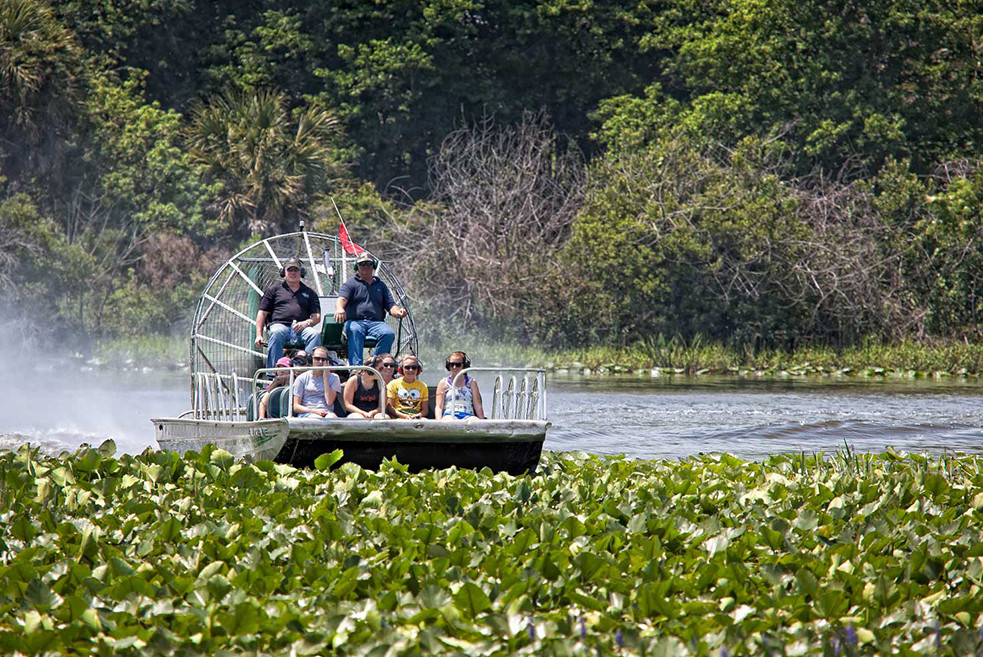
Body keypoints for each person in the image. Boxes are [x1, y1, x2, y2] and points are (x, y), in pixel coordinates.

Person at [333, 251, 407, 366]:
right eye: (362, 264)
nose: (366, 266)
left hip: (376, 323)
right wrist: (339, 309)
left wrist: (398, 311)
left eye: (369, 263)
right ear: (356, 266)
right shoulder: (350, 284)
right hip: (355, 322)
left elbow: (391, 305)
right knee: (354, 330)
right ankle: (356, 369)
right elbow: (342, 299)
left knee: (388, 334)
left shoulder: (381, 286)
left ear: (374, 265)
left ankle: (374, 365)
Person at [255, 257, 322, 371]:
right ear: (283, 272)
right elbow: (262, 313)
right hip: (280, 326)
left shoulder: (310, 292)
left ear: (302, 273)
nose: (293, 273)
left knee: (314, 335)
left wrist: (306, 323)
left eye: (296, 270)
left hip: (301, 329)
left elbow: (316, 317)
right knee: (276, 333)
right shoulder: (273, 290)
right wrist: (259, 334)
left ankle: (306, 369)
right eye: (290, 270)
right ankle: (274, 373)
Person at [292, 346, 342, 418]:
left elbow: (329, 401)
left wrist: (325, 377)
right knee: (316, 418)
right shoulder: (301, 378)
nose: (320, 362)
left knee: (332, 418)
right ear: (311, 359)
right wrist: (313, 411)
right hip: (307, 413)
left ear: (327, 361)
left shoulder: (334, 378)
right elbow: (296, 407)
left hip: (327, 413)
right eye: (317, 359)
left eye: (323, 359)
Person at [435, 351, 485, 420]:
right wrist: (438, 423)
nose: (454, 367)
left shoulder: (472, 382)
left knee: (474, 422)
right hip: (449, 415)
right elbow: (439, 406)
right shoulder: (443, 383)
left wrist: (482, 421)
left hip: (468, 416)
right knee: (450, 422)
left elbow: (477, 405)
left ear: (464, 365)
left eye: (458, 364)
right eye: (452, 364)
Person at [343, 354, 387, 419]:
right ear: (370, 369)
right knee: (359, 419)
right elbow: (348, 405)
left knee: (385, 418)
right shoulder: (353, 381)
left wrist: (373, 412)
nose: (383, 371)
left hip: (374, 413)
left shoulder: (381, 383)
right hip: (356, 413)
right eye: (381, 369)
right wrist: (363, 413)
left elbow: (382, 406)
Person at [386, 355, 428, 419]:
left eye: (414, 367)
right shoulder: (392, 384)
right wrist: (404, 416)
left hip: (416, 418)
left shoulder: (423, 386)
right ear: (401, 369)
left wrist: (417, 416)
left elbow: (425, 410)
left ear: (418, 369)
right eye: (407, 367)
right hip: (398, 418)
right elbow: (390, 407)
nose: (410, 370)